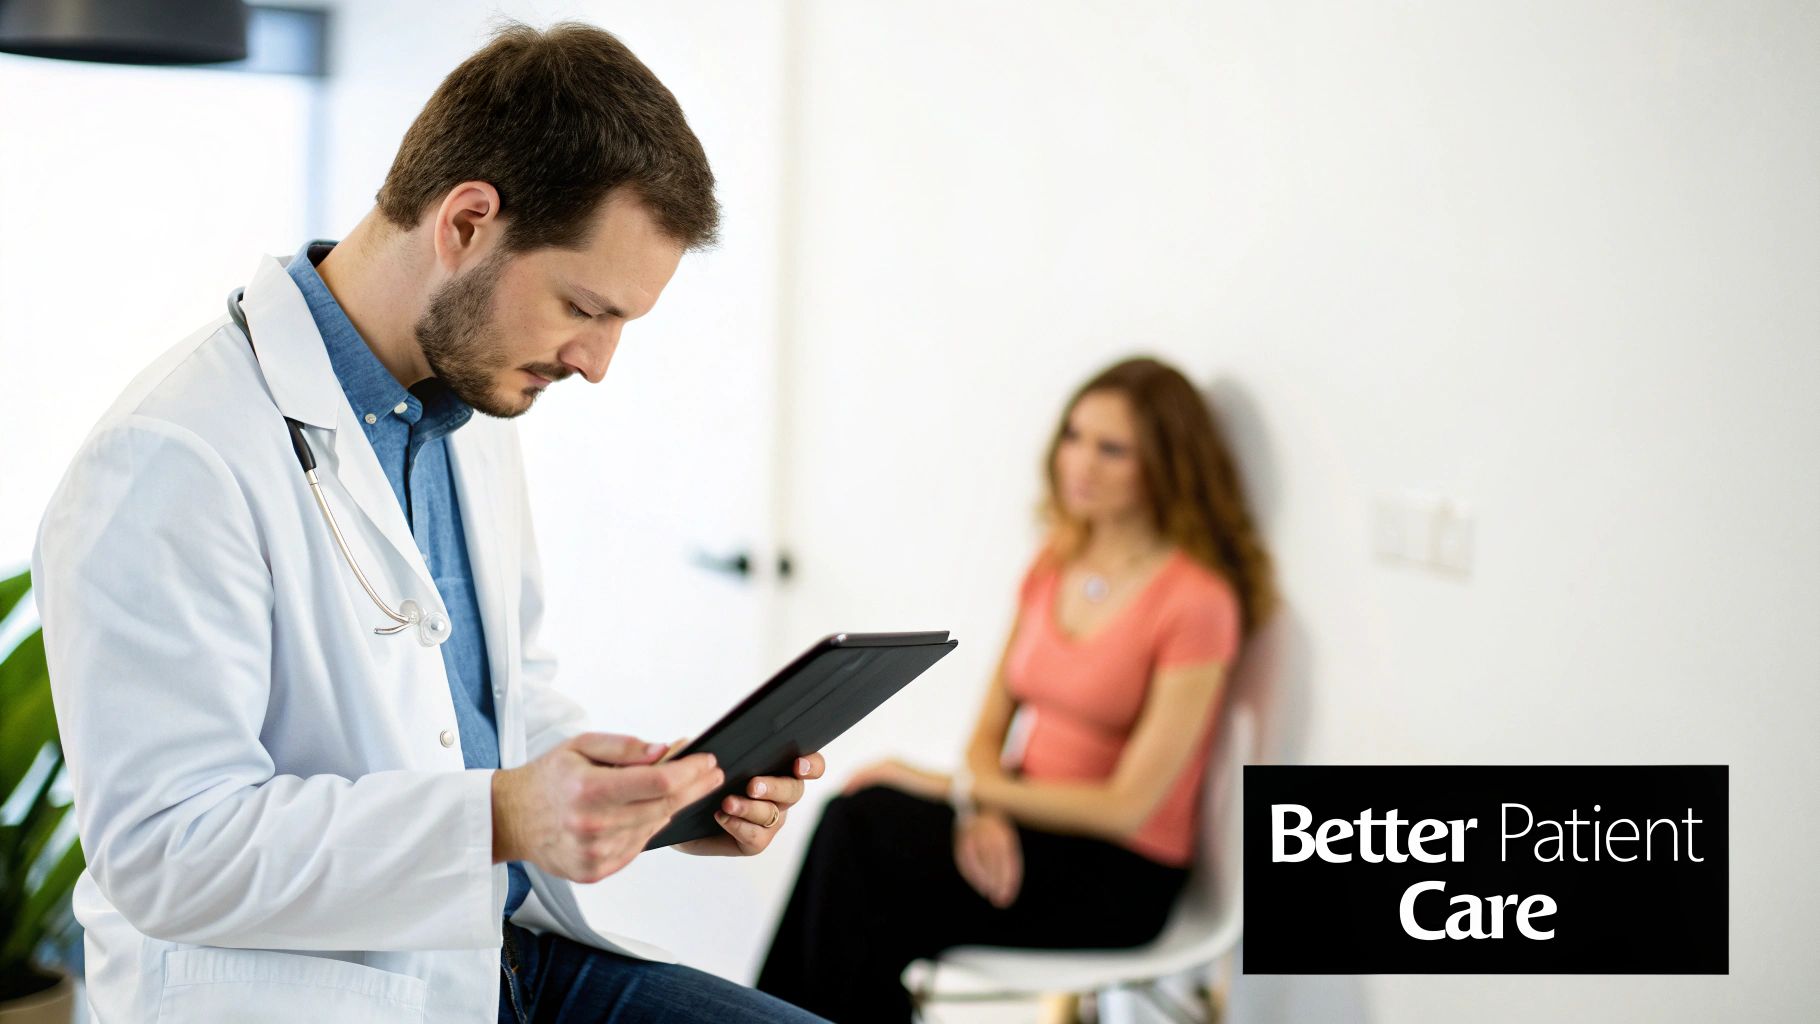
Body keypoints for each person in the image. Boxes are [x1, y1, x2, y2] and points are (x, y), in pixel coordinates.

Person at [32, 22, 828, 1024]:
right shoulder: (170, 457)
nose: (596, 361)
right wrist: (500, 814)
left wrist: (647, 801)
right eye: (585, 306)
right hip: (314, 994)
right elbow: (167, 853)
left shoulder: (470, 409)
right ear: (466, 222)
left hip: (493, 960)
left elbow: (505, 700)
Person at [756, 356, 1277, 1022]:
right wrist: (981, 809)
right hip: (1024, 822)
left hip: (1118, 873)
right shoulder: (1057, 561)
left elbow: (1126, 807)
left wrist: (956, 789)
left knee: (863, 840)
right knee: (862, 870)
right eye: (1073, 436)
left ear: (1167, 466)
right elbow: (987, 733)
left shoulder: (1198, 601)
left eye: (1112, 449)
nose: (1079, 463)